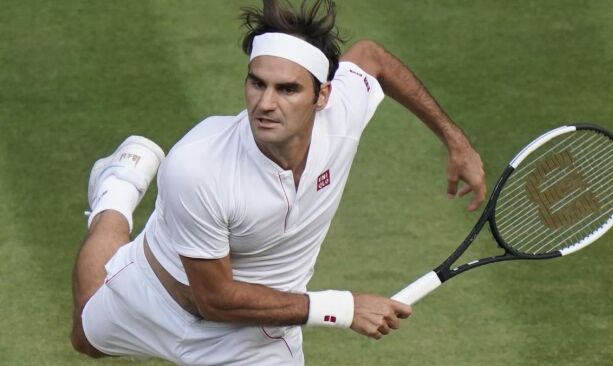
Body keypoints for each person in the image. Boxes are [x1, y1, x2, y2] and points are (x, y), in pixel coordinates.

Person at [70, 0, 486, 364]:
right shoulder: (197, 167)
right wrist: (343, 308)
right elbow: (213, 298)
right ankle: (119, 189)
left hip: (255, 334)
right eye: (257, 83)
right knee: (84, 339)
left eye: (287, 89)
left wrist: (456, 142)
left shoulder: (340, 116)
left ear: (322, 96)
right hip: (154, 295)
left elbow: (372, 57)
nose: (266, 104)